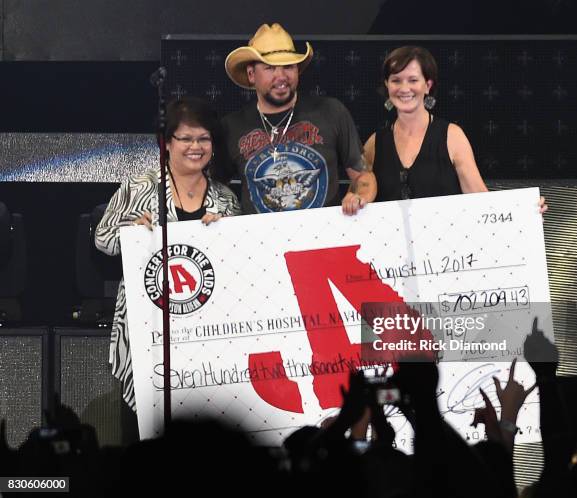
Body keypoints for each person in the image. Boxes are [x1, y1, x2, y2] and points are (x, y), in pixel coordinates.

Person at [95, 97, 240, 410]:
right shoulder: (139, 187)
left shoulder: (226, 199)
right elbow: (102, 239)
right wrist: (131, 229)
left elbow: (241, 262)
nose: (195, 146)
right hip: (150, 327)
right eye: (185, 138)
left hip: (207, 331)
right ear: (167, 143)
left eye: (203, 138)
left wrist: (225, 234)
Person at [366, 46, 548, 213]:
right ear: (387, 85)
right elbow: (359, 200)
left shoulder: (452, 136)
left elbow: (479, 199)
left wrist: (523, 213)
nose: (404, 88)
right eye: (396, 80)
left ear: (427, 85)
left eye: (413, 80)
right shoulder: (374, 144)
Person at [223, 23, 376, 216]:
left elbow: (363, 175)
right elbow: (212, 187)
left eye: (288, 66)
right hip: (261, 242)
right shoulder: (232, 126)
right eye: (270, 68)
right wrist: (216, 212)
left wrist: (359, 196)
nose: (281, 76)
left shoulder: (331, 111)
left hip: (324, 239)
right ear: (252, 74)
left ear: (298, 70)